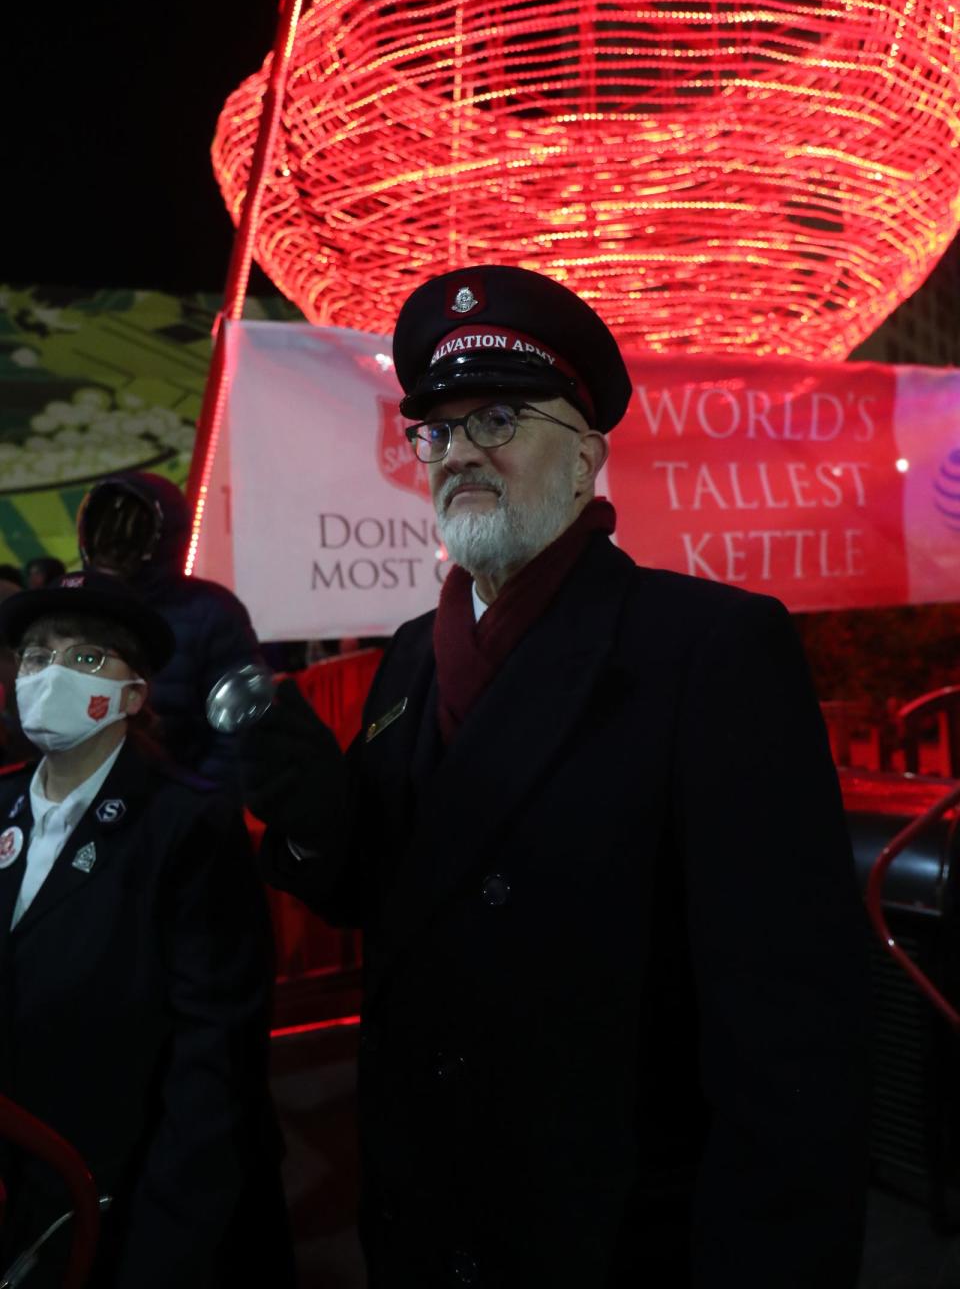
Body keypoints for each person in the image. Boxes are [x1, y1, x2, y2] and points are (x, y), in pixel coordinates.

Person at [244, 265, 872, 1288]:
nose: (459, 455)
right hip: (427, 1194)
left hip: (609, 1226)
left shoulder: (708, 648)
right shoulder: (408, 656)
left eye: (497, 418)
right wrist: (318, 822)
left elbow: (790, 1028)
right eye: (436, 433)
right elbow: (391, 898)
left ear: (586, 459)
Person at [0, 571, 293, 1289]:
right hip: (23, 1197)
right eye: (37, 656)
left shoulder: (188, 826)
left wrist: (167, 1250)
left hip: (133, 1210)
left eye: (88, 658)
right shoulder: (3, 806)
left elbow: (214, 1062)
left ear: (134, 696)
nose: (53, 674)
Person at [76, 471, 261, 793]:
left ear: (164, 537)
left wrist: (193, 803)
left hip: (183, 805)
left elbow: (239, 726)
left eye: (132, 531)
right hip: (86, 803)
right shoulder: (75, 609)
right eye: (105, 531)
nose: (115, 546)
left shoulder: (212, 611)